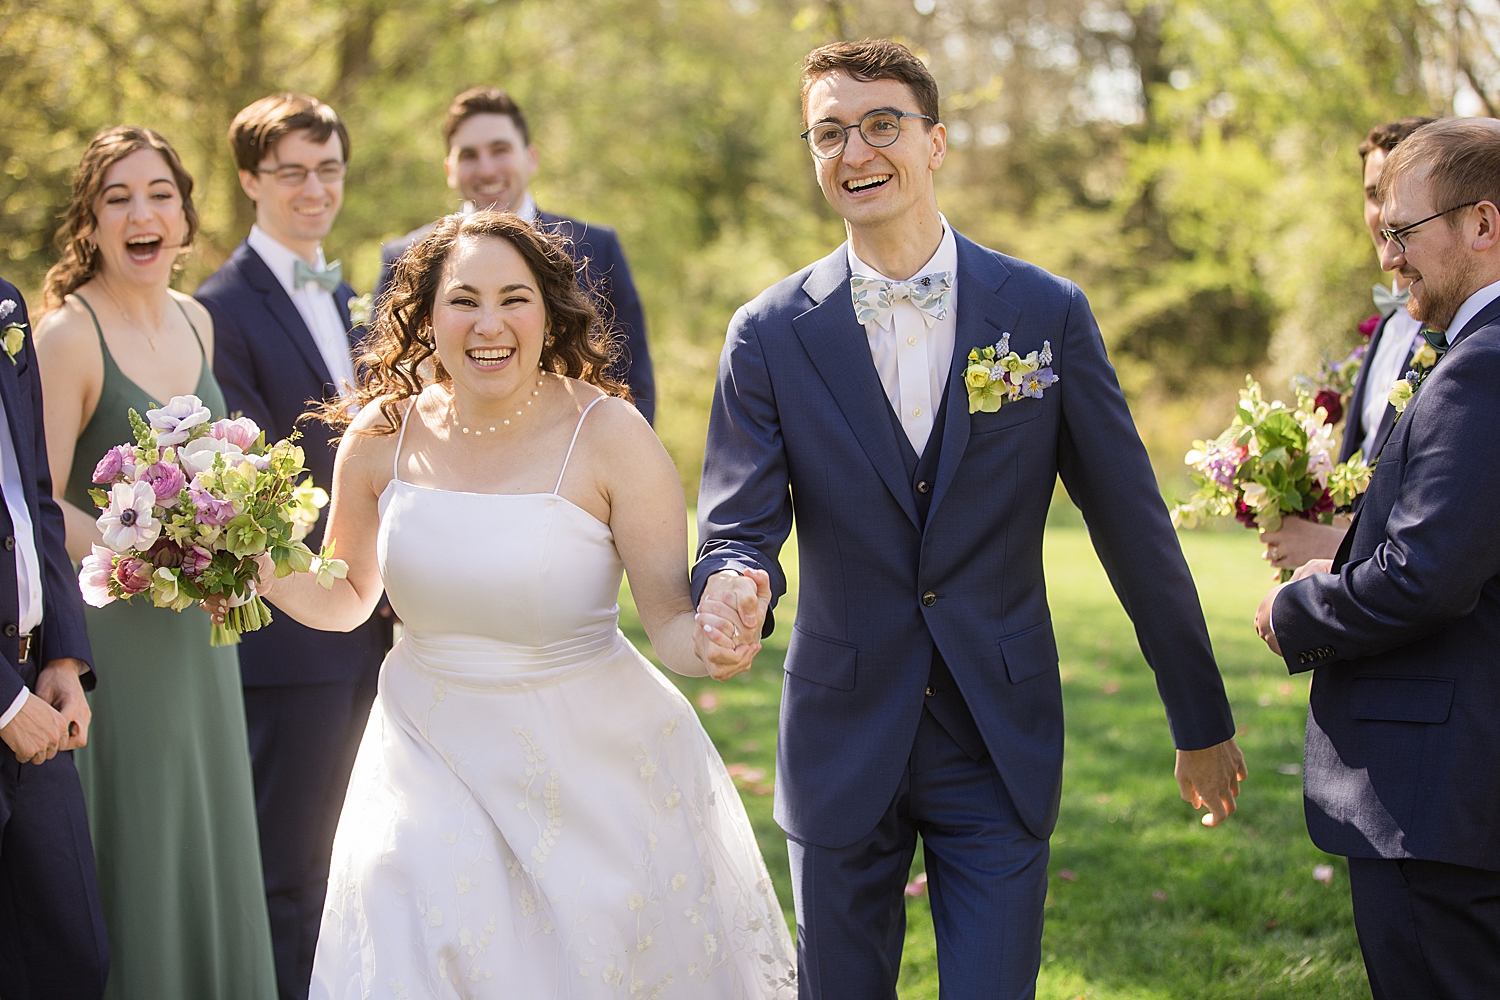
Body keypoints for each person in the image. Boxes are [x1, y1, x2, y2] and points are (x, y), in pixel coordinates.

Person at [692, 40, 1245, 999]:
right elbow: (738, 522)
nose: (855, 150)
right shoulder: (769, 333)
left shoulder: (1045, 312)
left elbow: (1132, 527)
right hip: (840, 732)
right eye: (830, 132)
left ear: (936, 141)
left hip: (996, 733)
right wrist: (735, 582)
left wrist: (1199, 715)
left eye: (880, 124)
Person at [220, 209, 795, 996]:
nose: (489, 324)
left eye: (513, 298)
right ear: (426, 315)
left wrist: (719, 636)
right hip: (423, 749)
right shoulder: (382, 434)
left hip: (588, 762)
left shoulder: (610, 434)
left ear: (548, 310)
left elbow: (669, 624)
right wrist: (249, 562)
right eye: (463, 300)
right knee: (412, 941)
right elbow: (349, 595)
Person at [1256, 116, 1500, 1000]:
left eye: (1404, 231)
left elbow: (1427, 577)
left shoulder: (1481, 365)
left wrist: (1297, 611)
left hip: (1436, 798)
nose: (1388, 256)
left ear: (1483, 224)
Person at [33, 125, 276, 999]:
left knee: (205, 824)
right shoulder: (68, 335)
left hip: (199, 636)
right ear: (90, 224)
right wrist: (146, 543)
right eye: (118, 198)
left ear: (184, 216)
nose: (142, 213)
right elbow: (34, 499)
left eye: (159, 195)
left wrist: (226, 529)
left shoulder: (199, 318)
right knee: (139, 834)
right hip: (115, 636)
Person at [193, 94, 387, 1000]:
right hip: (292, 630)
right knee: (293, 867)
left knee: (362, 854)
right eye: (292, 173)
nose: (315, 190)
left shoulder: (353, 298)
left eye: (329, 170)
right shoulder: (218, 310)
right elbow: (250, 476)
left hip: (381, 622)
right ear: (249, 182)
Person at [376, 86, 656, 423]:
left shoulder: (595, 248)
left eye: (500, 150)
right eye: (469, 155)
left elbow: (633, 380)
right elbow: (387, 379)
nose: (487, 169)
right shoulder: (406, 257)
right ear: (449, 168)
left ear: (531, 157)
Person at [1260, 116, 1435, 574]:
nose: (1382, 214)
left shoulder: (1453, 335)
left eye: (1395, 194)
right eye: (1372, 194)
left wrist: (1334, 549)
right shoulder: (1384, 326)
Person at [0, 276, 109, 997]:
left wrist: (62, 655)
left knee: (72, 956)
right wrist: (4, 704)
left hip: (37, 684)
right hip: (10, 704)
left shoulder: (5, 306)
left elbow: (34, 496)